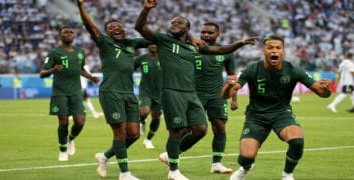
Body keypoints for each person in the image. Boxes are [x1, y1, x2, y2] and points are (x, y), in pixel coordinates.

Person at [135, 1, 258, 179]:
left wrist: (240, 43)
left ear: (187, 29)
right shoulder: (163, 39)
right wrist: (146, 9)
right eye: (172, 23)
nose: (174, 24)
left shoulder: (195, 46)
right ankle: (174, 170)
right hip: (172, 91)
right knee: (177, 131)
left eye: (180, 23)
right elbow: (140, 27)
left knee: (201, 129)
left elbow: (222, 49)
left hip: (191, 94)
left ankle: (207, 162)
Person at [221, 35, 331, 180]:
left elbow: (322, 93)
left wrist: (327, 89)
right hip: (256, 116)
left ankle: (287, 173)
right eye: (270, 47)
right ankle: (246, 167)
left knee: (297, 141)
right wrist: (229, 86)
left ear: (283, 51)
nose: (274, 51)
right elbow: (225, 95)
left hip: (282, 113)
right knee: (246, 157)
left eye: (278, 48)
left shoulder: (293, 70)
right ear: (263, 51)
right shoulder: (251, 69)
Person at [77, 0, 152, 179]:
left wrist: (146, 10)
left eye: (120, 26)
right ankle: (125, 173)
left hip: (129, 94)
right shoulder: (104, 43)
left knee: (134, 134)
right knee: (120, 132)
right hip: (111, 92)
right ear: (107, 32)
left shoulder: (131, 43)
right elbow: (90, 26)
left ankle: (104, 156)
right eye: (112, 28)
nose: (117, 29)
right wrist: (80, 5)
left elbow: (152, 37)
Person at [39, 25, 99, 161]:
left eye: (71, 32)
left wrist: (91, 77)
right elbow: (42, 73)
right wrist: (53, 69)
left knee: (80, 121)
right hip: (60, 92)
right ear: (60, 36)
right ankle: (62, 150)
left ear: (74, 36)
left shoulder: (80, 51)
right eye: (65, 32)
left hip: (76, 91)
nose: (69, 34)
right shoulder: (54, 53)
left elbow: (81, 69)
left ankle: (70, 139)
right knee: (64, 122)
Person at [195, 22, 240, 174]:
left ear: (217, 34)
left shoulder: (226, 52)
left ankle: (216, 164)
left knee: (220, 127)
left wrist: (234, 99)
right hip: (195, 95)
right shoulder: (193, 49)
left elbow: (232, 77)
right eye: (203, 32)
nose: (206, 35)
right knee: (190, 129)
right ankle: (173, 158)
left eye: (210, 33)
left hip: (217, 96)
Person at [134, 44, 163, 149]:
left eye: (156, 43)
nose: (154, 45)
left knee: (156, 116)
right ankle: (142, 121)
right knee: (144, 111)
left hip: (160, 93)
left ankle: (148, 140)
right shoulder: (141, 58)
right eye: (151, 43)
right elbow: (128, 69)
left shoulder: (164, 57)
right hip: (145, 91)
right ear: (147, 45)